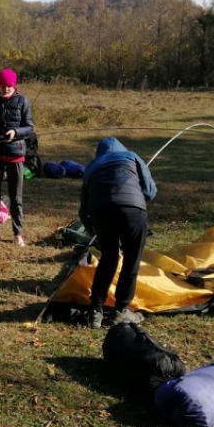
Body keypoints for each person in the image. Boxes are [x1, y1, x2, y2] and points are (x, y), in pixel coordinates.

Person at [80, 137, 157, 328]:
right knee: (131, 260)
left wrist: (93, 230)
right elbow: (150, 192)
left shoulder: (91, 166)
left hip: (100, 211)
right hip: (132, 210)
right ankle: (121, 311)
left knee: (108, 258)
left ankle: (95, 312)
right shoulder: (131, 156)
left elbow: (83, 210)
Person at [0, 67, 35, 246]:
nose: (5, 89)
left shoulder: (22, 102)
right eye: (2, 86)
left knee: (16, 197)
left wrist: (15, 132)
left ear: (14, 85)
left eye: (9, 86)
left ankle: (18, 233)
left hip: (16, 155)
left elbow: (29, 127)